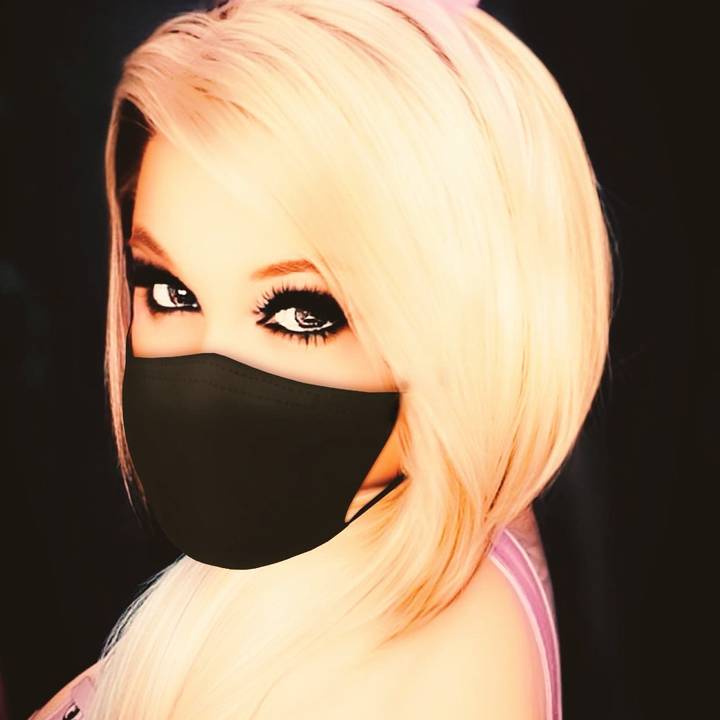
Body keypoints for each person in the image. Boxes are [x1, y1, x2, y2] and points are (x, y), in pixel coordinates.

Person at [29, 0, 612, 717]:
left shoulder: (430, 649)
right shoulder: (321, 559)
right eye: (173, 293)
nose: (207, 379)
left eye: (302, 312)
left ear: (462, 313)